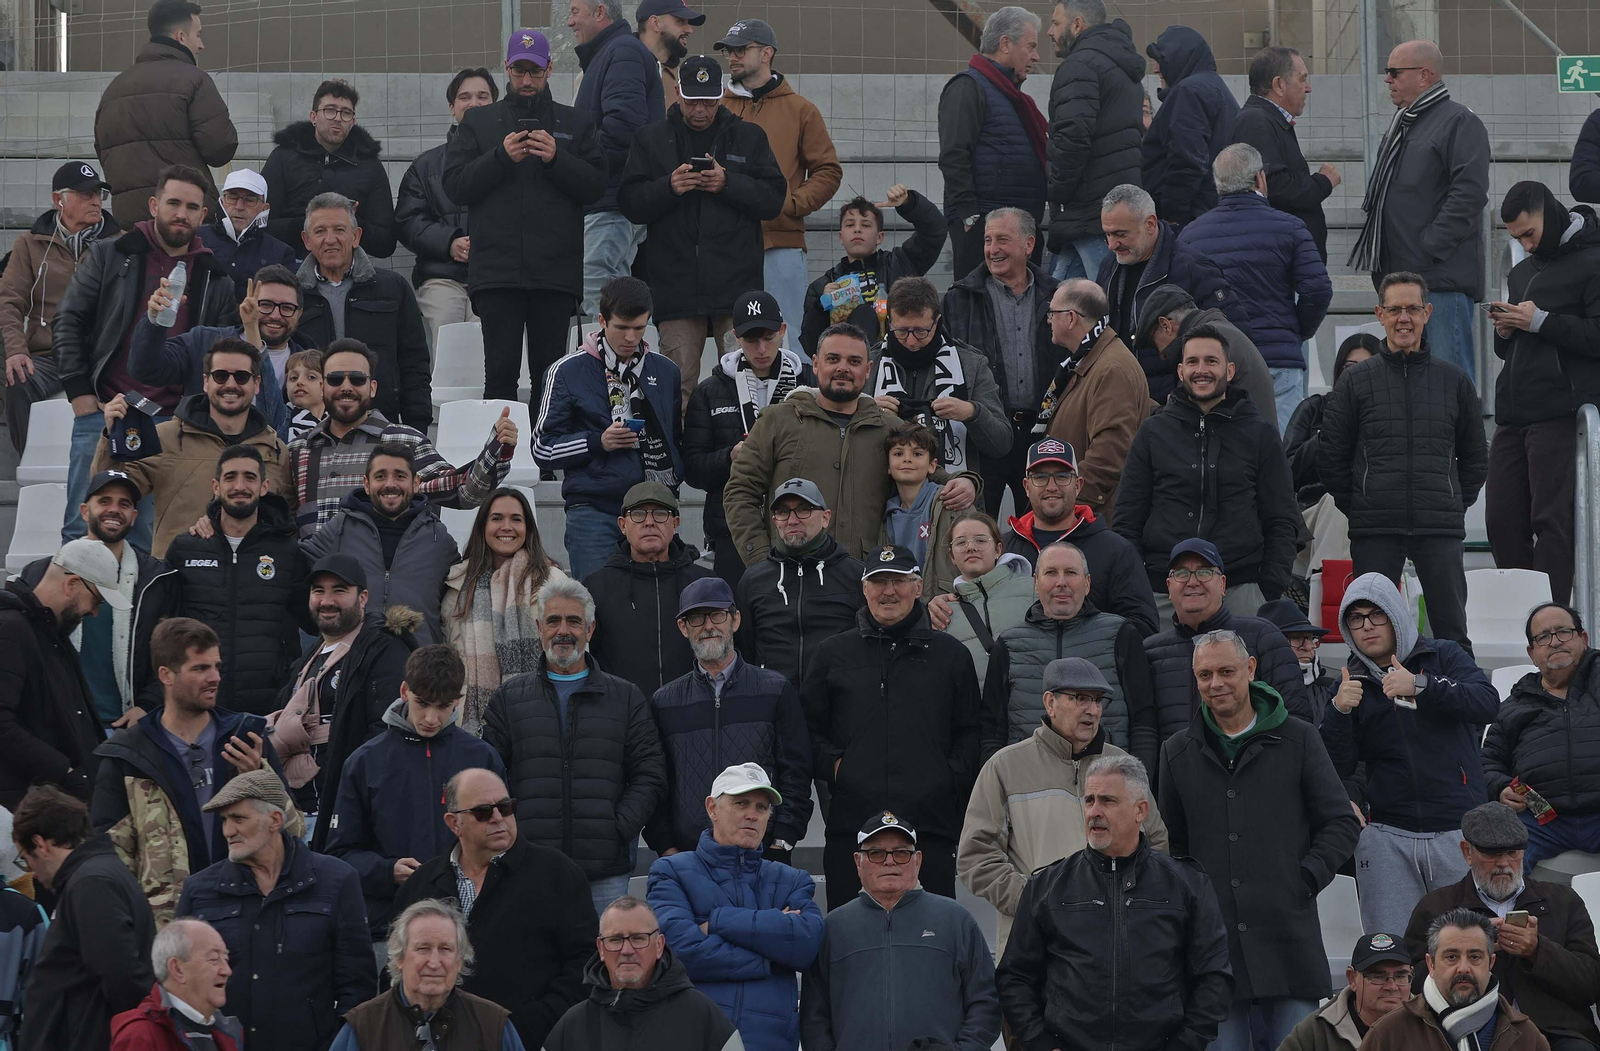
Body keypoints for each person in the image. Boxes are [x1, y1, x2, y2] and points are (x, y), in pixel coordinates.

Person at [1159, 629, 1360, 1051]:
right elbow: (1172, 848)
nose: (1215, 684)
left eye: (1226, 671)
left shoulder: (1301, 738)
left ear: (1250, 669)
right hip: (1212, 954)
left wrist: (1303, 879)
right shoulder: (1176, 752)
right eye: (1204, 674)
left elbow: (1341, 823)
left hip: (1288, 945)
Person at [54, 164, 239, 546]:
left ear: (203, 215)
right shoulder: (110, 254)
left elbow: (219, 356)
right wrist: (79, 393)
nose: (181, 213)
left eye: (191, 207)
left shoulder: (215, 279)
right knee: (83, 531)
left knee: (153, 539)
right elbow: (69, 319)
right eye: (173, 202)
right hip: (106, 410)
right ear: (154, 205)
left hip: (175, 423)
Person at [995, 754, 1233, 1051]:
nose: (1094, 811)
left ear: (1140, 811)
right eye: (1089, 800)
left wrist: (1185, 1045)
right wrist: (1041, 1044)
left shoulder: (1187, 884)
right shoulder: (1047, 887)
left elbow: (1213, 976)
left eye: (1108, 801)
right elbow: (1015, 977)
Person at [801, 545, 981, 905]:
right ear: (864, 589)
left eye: (898, 580)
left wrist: (944, 777)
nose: (888, 591)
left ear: (917, 587)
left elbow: (971, 732)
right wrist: (839, 769)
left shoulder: (950, 656)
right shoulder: (832, 654)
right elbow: (808, 730)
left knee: (929, 941)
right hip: (852, 826)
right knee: (850, 941)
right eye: (878, 581)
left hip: (928, 827)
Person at [1321, 572, 1498, 935]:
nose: (1367, 626)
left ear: (1396, 615)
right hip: (1388, 835)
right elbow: (1339, 765)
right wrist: (1338, 713)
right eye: (1356, 619)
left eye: (1377, 614)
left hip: (1457, 827)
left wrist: (1422, 686)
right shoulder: (1349, 683)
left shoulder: (1443, 654)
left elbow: (1487, 703)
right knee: (1392, 952)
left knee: (1469, 946)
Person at [1319, 272, 1487, 650]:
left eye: (1412, 308)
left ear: (1427, 313)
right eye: (1395, 309)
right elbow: (1332, 455)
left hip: (1439, 527)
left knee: (1452, 634)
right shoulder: (1355, 381)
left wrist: (1451, 502)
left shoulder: (1455, 381)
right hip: (1376, 527)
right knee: (1370, 634)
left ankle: (1459, 707)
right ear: (1380, 314)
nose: (1404, 318)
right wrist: (1363, 502)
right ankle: (1375, 707)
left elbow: (1476, 458)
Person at [483, 575, 668, 915]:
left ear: (590, 629)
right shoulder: (509, 698)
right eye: (553, 621)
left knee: (603, 963)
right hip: (528, 868)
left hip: (605, 872)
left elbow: (650, 773)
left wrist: (618, 827)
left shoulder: (625, 698)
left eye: (573, 621)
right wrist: (512, 832)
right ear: (539, 628)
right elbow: (489, 777)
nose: (563, 630)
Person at [959, 656, 1170, 952]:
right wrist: (1033, 899)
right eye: (1080, 698)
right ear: (1050, 703)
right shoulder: (1004, 767)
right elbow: (975, 857)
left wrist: (1132, 900)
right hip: (1035, 947)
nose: (1092, 710)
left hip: (1117, 946)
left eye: (1098, 701)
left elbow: (1156, 842)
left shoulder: (1122, 766)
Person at [91, 616, 294, 922]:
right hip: (168, 925)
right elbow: (110, 858)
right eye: (200, 668)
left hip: (250, 916)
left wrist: (260, 779)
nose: (214, 677)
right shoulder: (128, 755)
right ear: (166, 675)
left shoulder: (248, 738)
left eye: (216, 666)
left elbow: (293, 831)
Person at [723, 323, 976, 567]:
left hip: (867, 581)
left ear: (867, 370)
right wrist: (760, 561)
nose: (843, 368)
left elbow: (931, 473)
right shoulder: (777, 420)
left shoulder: (889, 427)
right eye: (833, 359)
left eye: (854, 362)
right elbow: (740, 492)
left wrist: (968, 482)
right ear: (815, 364)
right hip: (790, 573)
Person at [444, 30, 607, 404]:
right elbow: (454, 186)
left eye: (535, 71)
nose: (527, 80)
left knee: (550, 378)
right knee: (499, 376)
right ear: (507, 69)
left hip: (554, 274)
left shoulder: (576, 123)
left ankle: (546, 460)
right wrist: (500, 157)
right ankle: (500, 462)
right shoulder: (479, 123)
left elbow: (597, 186)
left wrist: (557, 158)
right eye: (519, 71)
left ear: (550, 69)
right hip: (497, 273)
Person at [618, 54, 787, 407]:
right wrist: (670, 187)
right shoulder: (651, 139)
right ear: (677, 92)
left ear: (722, 94)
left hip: (736, 287)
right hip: (675, 286)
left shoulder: (749, 137)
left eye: (708, 102)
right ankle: (679, 461)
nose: (700, 110)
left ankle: (747, 458)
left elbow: (773, 199)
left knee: (748, 384)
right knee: (677, 387)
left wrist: (728, 183)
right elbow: (630, 203)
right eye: (692, 100)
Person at [391, 768, 596, 1050]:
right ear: (454, 823)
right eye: (483, 812)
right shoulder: (421, 884)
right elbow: (395, 970)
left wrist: (526, 1026)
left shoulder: (558, 874)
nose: (499, 818)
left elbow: (585, 965)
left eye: (506, 807)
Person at [175, 769, 376, 1051]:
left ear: (275, 820)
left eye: (238, 819)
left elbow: (357, 986)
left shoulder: (337, 881)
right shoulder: (200, 890)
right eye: (224, 820)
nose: (227, 831)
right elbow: (179, 985)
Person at [324, 645, 504, 942]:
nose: (431, 718)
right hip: (392, 928)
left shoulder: (482, 758)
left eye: (444, 706)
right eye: (423, 703)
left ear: (458, 701)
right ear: (404, 690)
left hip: (473, 928)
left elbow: (503, 843)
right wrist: (386, 871)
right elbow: (339, 855)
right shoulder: (364, 762)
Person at [1115, 324, 1300, 609]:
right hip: (1163, 591)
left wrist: (1269, 589)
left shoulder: (1260, 435)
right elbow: (1127, 518)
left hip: (1240, 590)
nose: (1201, 370)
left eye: (1211, 361)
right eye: (1193, 362)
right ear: (1180, 371)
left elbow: (1282, 519)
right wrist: (1139, 585)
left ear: (1229, 370)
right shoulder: (1152, 433)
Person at [647, 764, 823, 1050]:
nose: (752, 815)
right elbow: (679, 952)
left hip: (769, 1041)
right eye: (741, 803)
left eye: (762, 807)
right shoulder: (671, 871)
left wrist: (718, 921)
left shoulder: (791, 880)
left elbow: (806, 945)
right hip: (694, 1037)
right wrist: (770, 954)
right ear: (712, 807)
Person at [1402, 802, 1600, 1051]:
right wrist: (1468, 950)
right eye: (1492, 853)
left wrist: (1538, 950)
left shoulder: (1563, 901)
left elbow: (1590, 984)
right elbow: (1410, 983)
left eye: (1513, 852)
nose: (1504, 863)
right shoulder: (1436, 906)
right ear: (1467, 852)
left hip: (1556, 1033)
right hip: (1466, 1032)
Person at [1348, 40, 1490, 382]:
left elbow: (1469, 193)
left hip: (1438, 281)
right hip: (1402, 281)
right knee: (1405, 384)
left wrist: (1429, 249)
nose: (1387, 80)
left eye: (1395, 72)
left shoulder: (1458, 121)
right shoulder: (1403, 125)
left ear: (1425, 76)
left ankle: (1459, 440)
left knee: (1450, 380)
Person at [1486, 182, 1600, 606]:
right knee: (1500, 518)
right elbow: (1512, 346)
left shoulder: (1593, 261)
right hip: (1514, 412)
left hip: (1559, 410)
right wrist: (1506, 329)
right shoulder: (1522, 272)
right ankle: (1524, 615)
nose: (1525, 244)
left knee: (1551, 519)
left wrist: (1542, 322)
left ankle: (1553, 623)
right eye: (1516, 238)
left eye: (1529, 233)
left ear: (1549, 214)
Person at [803, 810, 1001, 1051]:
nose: (889, 861)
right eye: (875, 853)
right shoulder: (833, 929)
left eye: (901, 853)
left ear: (917, 860)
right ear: (858, 861)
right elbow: (814, 1016)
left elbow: (986, 1001)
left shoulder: (956, 921)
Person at [532, 277, 684, 581]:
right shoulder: (566, 370)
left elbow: (675, 442)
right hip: (594, 512)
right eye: (621, 327)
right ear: (602, 320)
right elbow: (542, 449)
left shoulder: (666, 371)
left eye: (639, 328)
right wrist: (597, 441)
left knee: (654, 611)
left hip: (654, 512)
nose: (630, 337)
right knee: (597, 614)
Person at [286, 338, 513, 538]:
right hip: (312, 580)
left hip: (382, 579)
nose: (346, 387)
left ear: (372, 388)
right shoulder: (297, 448)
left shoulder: (406, 441)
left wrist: (497, 451)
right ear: (322, 387)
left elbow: (463, 492)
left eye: (357, 379)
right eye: (335, 379)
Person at [647, 584, 813, 858]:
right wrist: (666, 847)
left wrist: (782, 840)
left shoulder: (775, 690)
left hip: (763, 854)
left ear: (735, 620)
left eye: (717, 615)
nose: (708, 626)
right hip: (689, 857)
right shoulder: (665, 702)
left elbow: (796, 771)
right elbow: (656, 782)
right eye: (697, 618)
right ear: (683, 627)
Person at [1177, 143, 1332, 431]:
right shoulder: (1291, 228)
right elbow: (1318, 289)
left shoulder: (1191, 236)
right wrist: (1296, 330)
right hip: (1278, 359)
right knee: (1282, 455)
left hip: (1217, 363)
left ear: (1217, 184)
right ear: (1260, 179)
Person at [93, 337, 289, 558]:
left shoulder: (276, 449)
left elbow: (287, 524)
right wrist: (112, 437)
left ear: (257, 384)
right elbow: (108, 488)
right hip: (177, 577)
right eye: (221, 376)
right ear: (206, 382)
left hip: (250, 579)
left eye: (242, 377)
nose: (231, 385)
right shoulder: (164, 438)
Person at [19, 471, 178, 731]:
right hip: (62, 726)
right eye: (104, 501)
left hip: (129, 727)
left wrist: (148, 705)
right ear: (84, 511)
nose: (114, 510)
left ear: (134, 516)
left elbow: (172, 652)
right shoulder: (39, 574)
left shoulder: (158, 579)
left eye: (124, 504)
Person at [982, 543, 1157, 770]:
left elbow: (1144, 722)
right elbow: (991, 732)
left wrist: (1139, 780)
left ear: (1087, 583)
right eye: (1051, 572)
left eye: (1071, 573)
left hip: (1107, 781)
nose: (1061, 582)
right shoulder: (1008, 644)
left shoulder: (1121, 635)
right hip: (1029, 783)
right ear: (1036, 582)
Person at [284, 554, 419, 844]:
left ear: (363, 597)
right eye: (318, 590)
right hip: (295, 817)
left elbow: (387, 735)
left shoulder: (385, 649)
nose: (327, 600)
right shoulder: (305, 660)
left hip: (346, 820)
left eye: (339, 590)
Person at [163, 445, 308, 715]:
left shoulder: (287, 552)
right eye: (230, 477)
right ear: (216, 486)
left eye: (249, 477)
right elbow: (163, 627)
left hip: (267, 707)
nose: (239, 486)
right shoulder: (185, 549)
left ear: (264, 487)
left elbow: (312, 620)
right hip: (197, 704)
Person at [684, 290, 816, 585]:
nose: (760, 348)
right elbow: (692, 468)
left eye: (768, 337)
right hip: (734, 527)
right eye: (751, 339)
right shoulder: (709, 390)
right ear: (735, 337)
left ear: (783, 331)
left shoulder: (808, 383)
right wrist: (728, 457)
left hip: (800, 520)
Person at [718, 19, 842, 330]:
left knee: (789, 336)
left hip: (780, 243)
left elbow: (828, 170)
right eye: (728, 51)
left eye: (740, 49)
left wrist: (790, 203)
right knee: (733, 339)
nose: (732, 57)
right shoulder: (715, 108)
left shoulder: (802, 110)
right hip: (724, 244)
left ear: (766, 53)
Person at [12, 785, 155, 1051]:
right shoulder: (94, 876)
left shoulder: (91, 884)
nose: (30, 872)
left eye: (24, 859)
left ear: (40, 844)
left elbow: (121, 974)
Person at [939, 208, 1058, 517]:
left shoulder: (1057, 295)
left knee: (1040, 526)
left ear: (1029, 244)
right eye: (988, 240)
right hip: (984, 434)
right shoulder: (959, 298)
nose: (992, 250)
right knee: (980, 527)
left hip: (1043, 432)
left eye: (1002, 240)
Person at [1143, 539, 1313, 744]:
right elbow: (1145, 731)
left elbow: (1295, 718)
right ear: (1169, 587)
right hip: (1178, 772)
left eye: (1204, 572)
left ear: (1222, 584)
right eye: (1181, 573)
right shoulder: (1151, 652)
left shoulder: (1263, 636)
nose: (1193, 581)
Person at [0, 161, 119, 454]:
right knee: (17, 379)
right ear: (58, 200)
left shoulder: (121, 244)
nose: (95, 200)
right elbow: (9, 299)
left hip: (104, 357)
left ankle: (116, 476)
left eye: (98, 194)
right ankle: (31, 462)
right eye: (84, 194)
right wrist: (16, 350)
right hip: (49, 356)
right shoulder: (29, 244)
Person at [0, 539, 127, 810]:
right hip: (36, 814)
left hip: (60, 808)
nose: (94, 612)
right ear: (71, 585)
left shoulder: (53, 637)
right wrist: (67, 773)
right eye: (96, 600)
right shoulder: (10, 631)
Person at [291, 193, 432, 428]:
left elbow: (414, 362)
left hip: (381, 422)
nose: (330, 239)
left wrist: (416, 425)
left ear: (356, 236)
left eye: (339, 230)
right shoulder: (292, 295)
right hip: (310, 427)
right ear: (306, 240)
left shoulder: (393, 288)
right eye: (320, 232)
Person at [128, 263, 313, 439]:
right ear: (247, 303)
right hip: (202, 455)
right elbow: (145, 369)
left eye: (287, 308)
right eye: (265, 305)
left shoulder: (310, 366)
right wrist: (154, 321)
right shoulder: (204, 341)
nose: (275, 315)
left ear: (300, 314)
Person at [302, 441, 462, 645]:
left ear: (415, 483)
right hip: (352, 661)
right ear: (367, 484)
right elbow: (294, 566)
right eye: (380, 476)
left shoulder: (438, 538)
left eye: (400, 476)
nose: (390, 484)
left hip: (418, 664)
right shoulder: (339, 529)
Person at [994, 437, 1158, 635]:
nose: (1051, 486)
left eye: (1062, 476)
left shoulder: (1115, 550)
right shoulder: (1002, 549)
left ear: (1078, 485)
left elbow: (1143, 625)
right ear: (1027, 487)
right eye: (1040, 477)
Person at [93, 0, 236, 227]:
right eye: (198, 35)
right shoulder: (194, 80)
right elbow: (220, 148)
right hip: (184, 221)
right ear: (180, 36)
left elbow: (104, 152)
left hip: (131, 223)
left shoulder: (113, 90)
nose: (202, 45)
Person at [1094, 183, 1239, 402]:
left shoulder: (1194, 268)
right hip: (1119, 396)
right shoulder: (1109, 266)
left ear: (1150, 224)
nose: (1112, 244)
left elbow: (1230, 337)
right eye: (1107, 235)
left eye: (1120, 234)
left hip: (1172, 405)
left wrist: (1184, 395)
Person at [869, 276, 1011, 497]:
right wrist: (865, 412)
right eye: (902, 331)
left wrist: (972, 413)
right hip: (881, 503)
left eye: (921, 331)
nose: (911, 341)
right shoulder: (870, 363)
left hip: (953, 501)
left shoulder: (971, 364)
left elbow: (1001, 443)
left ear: (937, 321)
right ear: (889, 323)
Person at [544, 895, 743, 1051]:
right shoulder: (573, 1026)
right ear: (601, 948)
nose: (627, 950)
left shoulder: (702, 1016)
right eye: (615, 939)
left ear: (659, 946)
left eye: (639, 938)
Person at [1485, 604, 1600, 869]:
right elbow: (1487, 762)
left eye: (1563, 632)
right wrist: (1502, 788)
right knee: (1495, 857)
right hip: (1541, 820)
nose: (1555, 642)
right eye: (1544, 637)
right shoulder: (1515, 705)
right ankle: (1503, 912)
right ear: (1532, 654)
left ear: (1583, 639)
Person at [442, 486, 564, 737]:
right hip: (472, 725)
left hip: (542, 719)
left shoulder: (553, 582)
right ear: (482, 527)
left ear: (528, 528)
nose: (506, 527)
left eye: (516, 519)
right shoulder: (457, 588)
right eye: (497, 518)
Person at [330, 898, 528, 1051]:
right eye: (423, 948)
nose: (434, 963)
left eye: (445, 949)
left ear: (460, 961)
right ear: (400, 957)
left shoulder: (494, 1025)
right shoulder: (363, 1027)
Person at [937, 7, 1046, 279]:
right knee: (979, 310)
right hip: (985, 230)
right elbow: (954, 156)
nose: (1036, 56)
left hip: (1017, 226)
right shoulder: (967, 87)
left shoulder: (1012, 97)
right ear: (1005, 43)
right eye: (1031, 46)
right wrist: (971, 219)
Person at [571, 2, 665, 317]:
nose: (570, 22)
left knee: (600, 298)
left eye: (574, 11)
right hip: (610, 202)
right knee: (616, 298)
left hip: (610, 204)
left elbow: (623, 128)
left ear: (600, 12)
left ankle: (603, 367)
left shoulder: (622, 52)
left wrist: (581, 171)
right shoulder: (610, 54)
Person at [395, 68, 496, 350]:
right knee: (450, 342)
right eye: (464, 97)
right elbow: (407, 220)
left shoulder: (512, 160)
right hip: (442, 276)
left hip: (497, 277)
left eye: (482, 96)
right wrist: (449, 242)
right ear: (452, 108)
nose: (473, 103)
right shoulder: (426, 165)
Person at [1043, 1, 1143, 282]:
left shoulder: (1079, 65)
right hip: (1109, 207)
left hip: (1089, 211)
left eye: (1055, 23)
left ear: (1077, 24)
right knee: (1066, 304)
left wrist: (1057, 192)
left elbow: (1072, 137)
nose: (1050, 32)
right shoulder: (1120, 65)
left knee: (1103, 303)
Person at [583, 481, 714, 697]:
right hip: (623, 716)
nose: (649, 522)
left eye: (660, 513)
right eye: (639, 514)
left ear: (675, 523)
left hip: (694, 713)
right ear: (623, 525)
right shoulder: (596, 587)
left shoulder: (704, 584)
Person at [732, 478, 865, 687]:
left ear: (825, 517)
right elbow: (744, 650)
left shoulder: (856, 575)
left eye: (804, 509)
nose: (792, 520)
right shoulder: (753, 581)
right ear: (775, 521)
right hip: (774, 704)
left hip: (839, 703)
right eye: (783, 512)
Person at [1034, 278, 1148, 521]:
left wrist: (1065, 507)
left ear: (1071, 318)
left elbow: (1110, 455)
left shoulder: (1111, 368)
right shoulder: (1088, 360)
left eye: (1052, 313)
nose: (1049, 320)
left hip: (1092, 519)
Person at [1363, 909, 1550, 1051]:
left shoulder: (1526, 1036)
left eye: (1475, 957)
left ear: (1491, 963)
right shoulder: (1389, 1033)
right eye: (1451, 957)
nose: (1463, 968)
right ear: (1431, 964)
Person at [800, 187, 947, 354]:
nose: (857, 229)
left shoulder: (901, 263)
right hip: (850, 365)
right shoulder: (823, 286)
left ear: (880, 237)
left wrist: (909, 203)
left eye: (865, 224)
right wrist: (821, 305)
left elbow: (936, 230)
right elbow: (810, 346)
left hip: (898, 355)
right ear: (841, 237)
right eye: (850, 224)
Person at [262, 79, 396, 258]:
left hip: (350, 270)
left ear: (353, 121)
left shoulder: (369, 165)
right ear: (313, 117)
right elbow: (261, 225)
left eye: (346, 113)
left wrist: (350, 220)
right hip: (290, 263)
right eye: (330, 110)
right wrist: (313, 221)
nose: (338, 118)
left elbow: (386, 243)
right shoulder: (283, 158)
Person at [1231, 46, 1340, 262]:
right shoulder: (1256, 122)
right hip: (1280, 261)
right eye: (1302, 79)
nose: (1308, 88)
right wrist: (1322, 182)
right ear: (1279, 85)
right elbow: (1276, 187)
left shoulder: (1267, 120)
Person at [1283, 334, 1380, 575]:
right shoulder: (1314, 409)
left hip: (1373, 516)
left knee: (1348, 504)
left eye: (1368, 367)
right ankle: (1328, 593)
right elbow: (1287, 472)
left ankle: (1319, 591)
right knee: (1339, 504)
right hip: (1310, 512)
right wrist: (1331, 429)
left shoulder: (1390, 419)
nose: (1357, 375)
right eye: (1350, 367)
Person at [1134, 282, 1278, 426]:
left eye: (1154, 343)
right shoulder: (1220, 331)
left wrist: (1138, 403)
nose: (1161, 355)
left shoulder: (1208, 341)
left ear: (1166, 326)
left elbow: (1184, 417)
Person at [1141, 25, 1237, 227]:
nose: (1155, 68)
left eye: (1160, 60)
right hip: (1209, 214)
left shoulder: (1189, 92)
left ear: (1179, 57)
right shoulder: (1213, 88)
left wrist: (1171, 218)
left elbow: (1187, 163)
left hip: (1190, 219)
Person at [110, 919, 241, 1051]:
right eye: (213, 959)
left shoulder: (224, 1032)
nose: (227, 971)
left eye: (226, 959)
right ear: (177, 969)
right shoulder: (142, 1035)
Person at [937, 510, 1035, 685]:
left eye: (981, 540)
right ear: (952, 556)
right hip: (974, 710)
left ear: (998, 549)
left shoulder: (1033, 590)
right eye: (961, 542)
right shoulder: (943, 611)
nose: (971, 547)